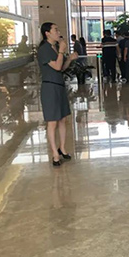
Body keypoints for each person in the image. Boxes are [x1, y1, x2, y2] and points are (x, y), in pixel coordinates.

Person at [37, 22, 78, 166]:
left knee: (62, 119)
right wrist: (61, 51)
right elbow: (56, 66)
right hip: (50, 87)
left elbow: (61, 68)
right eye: (55, 30)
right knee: (52, 121)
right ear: (47, 33)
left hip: (59, 86)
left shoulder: (54, 48)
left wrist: (69, 59)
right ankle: (55, 153)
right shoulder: (44, 49)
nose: (58, 32)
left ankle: (62, 148)